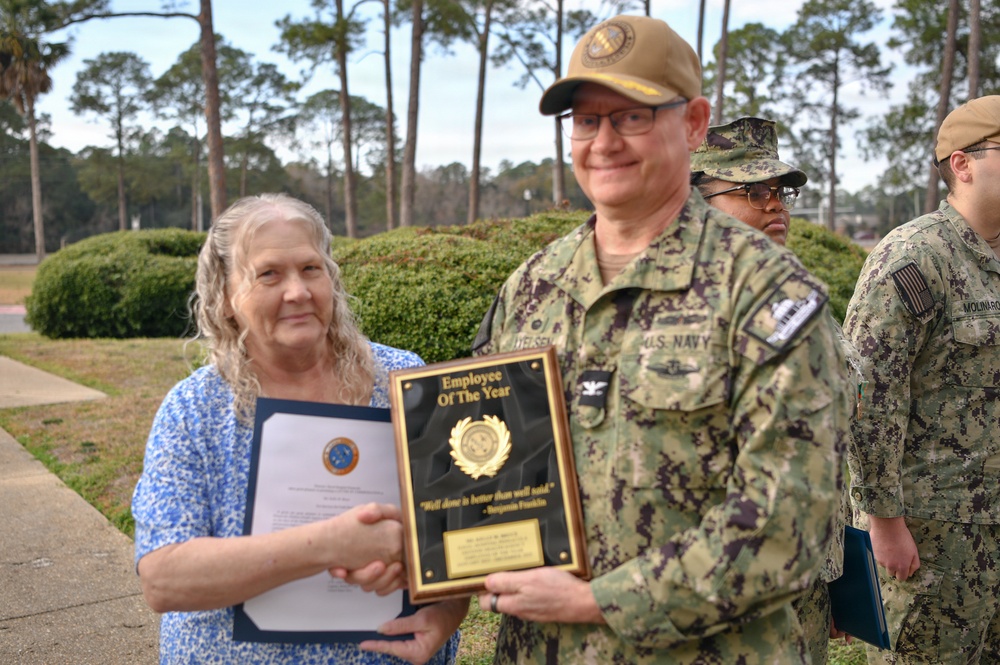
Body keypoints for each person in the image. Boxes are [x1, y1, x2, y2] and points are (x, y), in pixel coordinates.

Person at [471, 15, 852, 664]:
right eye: (587, 121)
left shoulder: (765, 294)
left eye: (633, 117)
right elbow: (482, 468)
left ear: (696, 123)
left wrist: (600, 601)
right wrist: (443, 583)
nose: (604, 142)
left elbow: (790, 522)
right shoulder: (533, 287)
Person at [131, 193, 464, 664]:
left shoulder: (402, 383)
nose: (298, 292)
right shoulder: (195, 410)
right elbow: (163, 578)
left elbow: (462, 527)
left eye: (311, 268)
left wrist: (447, 611)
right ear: (225, 296)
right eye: (269, 274)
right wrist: (329, 544)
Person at [691, 116, 857, 664]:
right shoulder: (675, 309)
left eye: (779, 191)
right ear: (696, 201)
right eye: (751, 191)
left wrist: (838, 575)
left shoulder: (799, 295)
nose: (775, 205)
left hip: (806, 574)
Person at [844, 96, 1000, 664]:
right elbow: (871, 401)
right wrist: (884, 522)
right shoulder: (914, 258)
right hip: (933, 533)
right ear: (963, 164)